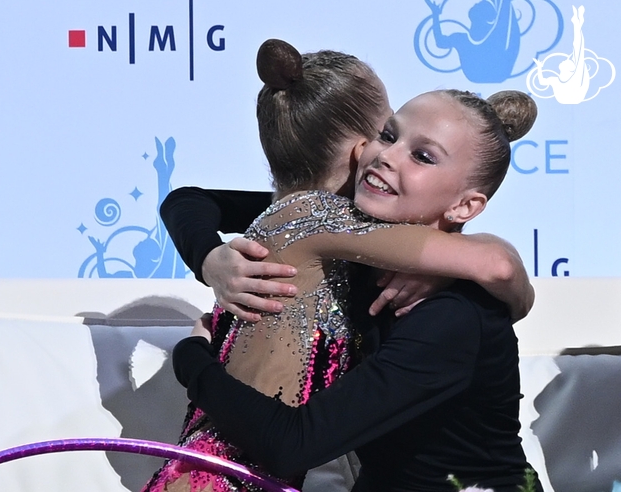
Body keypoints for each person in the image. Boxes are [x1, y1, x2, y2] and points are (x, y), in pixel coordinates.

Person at [147, 39, 537, 492]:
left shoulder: (451, 315)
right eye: (388, 135)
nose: (387, 155)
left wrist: (193, 360)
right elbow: (191, 201)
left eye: (423, 156)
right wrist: (210, 258)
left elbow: (289, 445)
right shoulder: (343, 233)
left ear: (465, 206)